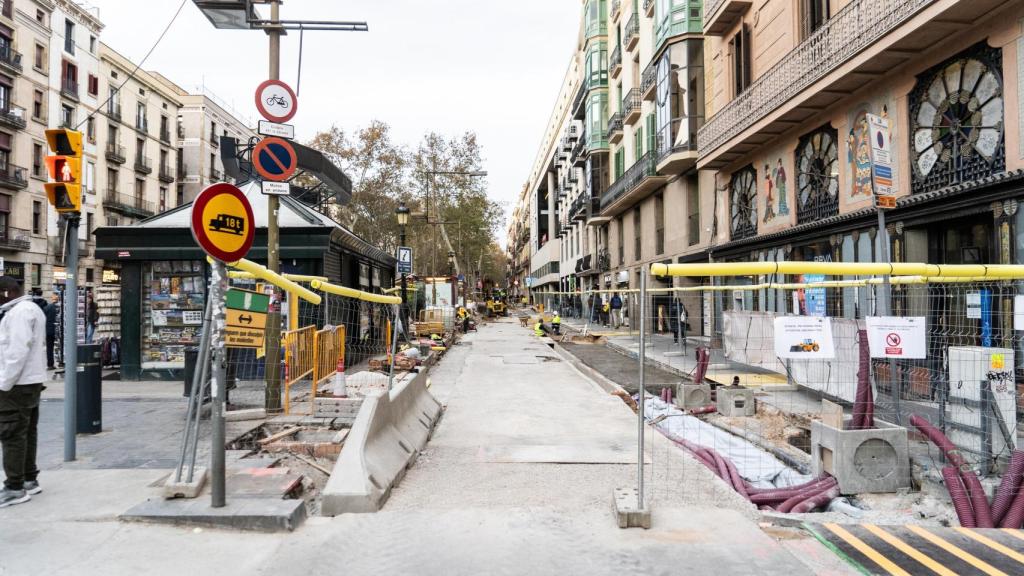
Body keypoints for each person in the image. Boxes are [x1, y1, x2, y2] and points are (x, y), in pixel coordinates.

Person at [0, 276, 47, 508]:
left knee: (12, 434)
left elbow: (16, 351)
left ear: (7, 292)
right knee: (27, 431)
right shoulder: (31, 309)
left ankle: (14, 487)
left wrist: (4, 383)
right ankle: (29, 478)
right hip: (31, 381)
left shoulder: (19, 313)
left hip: (17, 384)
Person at [43, 294, 58, 369]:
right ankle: (62, 362)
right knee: (61, 346)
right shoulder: (60, 307)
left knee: (49, 348)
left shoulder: (47, 308)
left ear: (52, 299)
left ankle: (50, 364)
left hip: (49, 330)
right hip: (58, 330)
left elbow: (43, 318)